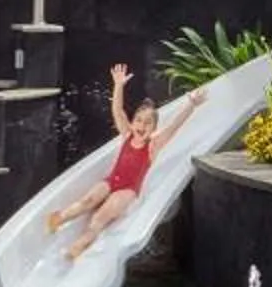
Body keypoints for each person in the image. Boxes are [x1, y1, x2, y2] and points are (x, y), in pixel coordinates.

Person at [45, 63, 203, 262]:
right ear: (133, 121)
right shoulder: (127, 135)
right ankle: (58, 218)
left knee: (99, 218)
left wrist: (191, 105)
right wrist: (118, 85)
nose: (142, 125)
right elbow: (118, 110)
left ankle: (76, 248)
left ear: (154, 127)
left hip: (127, 190)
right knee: (87, 201)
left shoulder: (153, 145)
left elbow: (174, 126)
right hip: (111, 181)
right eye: (139, 120)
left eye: (148, 123)